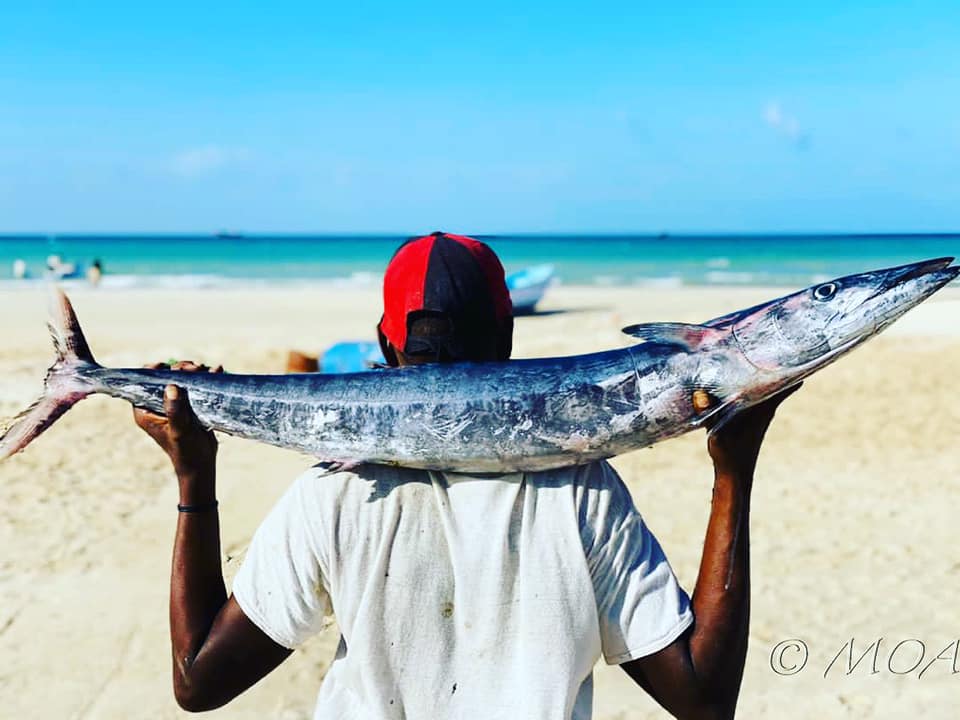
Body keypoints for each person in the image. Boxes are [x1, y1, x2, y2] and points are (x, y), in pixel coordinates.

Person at [135, 232, 798, 719]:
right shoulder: (582, 494)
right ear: (506, 341)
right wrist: (732, 472)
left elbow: (198, 680)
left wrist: (195, 480)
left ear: (387, 344)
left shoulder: (334, 492)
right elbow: (704, 699)